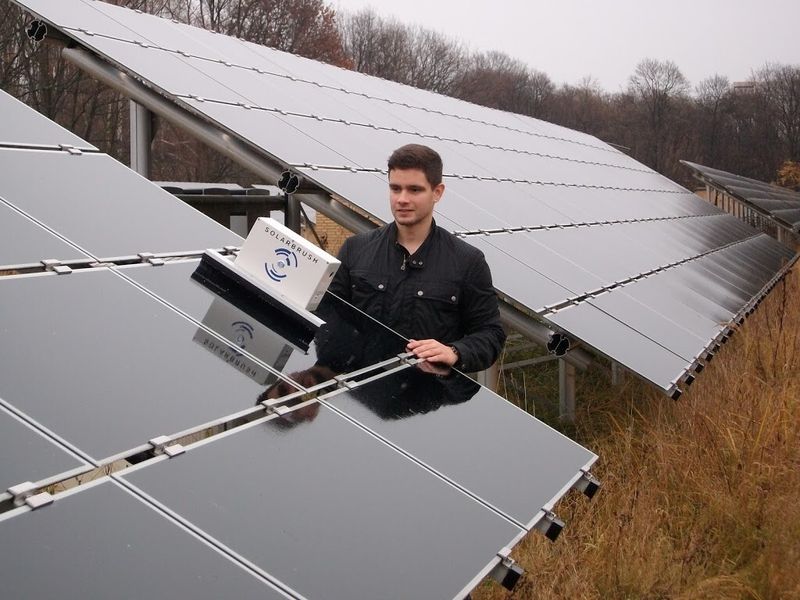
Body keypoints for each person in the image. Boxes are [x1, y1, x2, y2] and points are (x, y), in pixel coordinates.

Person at [328, 144, 505, 372]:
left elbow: (490, 333)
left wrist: (455, 351)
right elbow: (329, 317)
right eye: (395, 189)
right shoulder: (356, 250)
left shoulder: (467, 261)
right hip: (360, 394)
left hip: (434, 399)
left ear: (437, 192)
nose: (402, 199)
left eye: (414, 190)